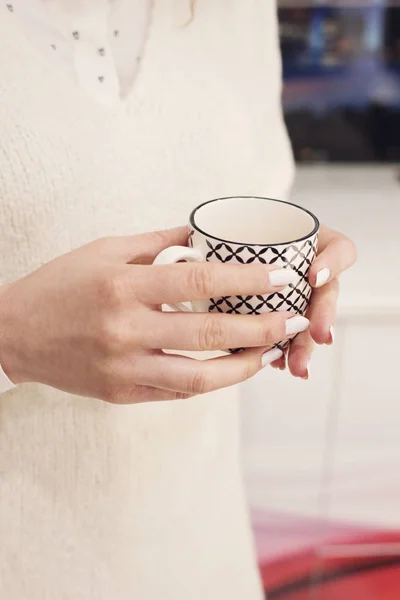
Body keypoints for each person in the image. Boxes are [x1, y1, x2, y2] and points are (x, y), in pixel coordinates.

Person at [0, 2, 356, 599]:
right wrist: (11, 338)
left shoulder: (237, 12)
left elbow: (255, 200)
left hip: (202, 556)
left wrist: (299, 277)